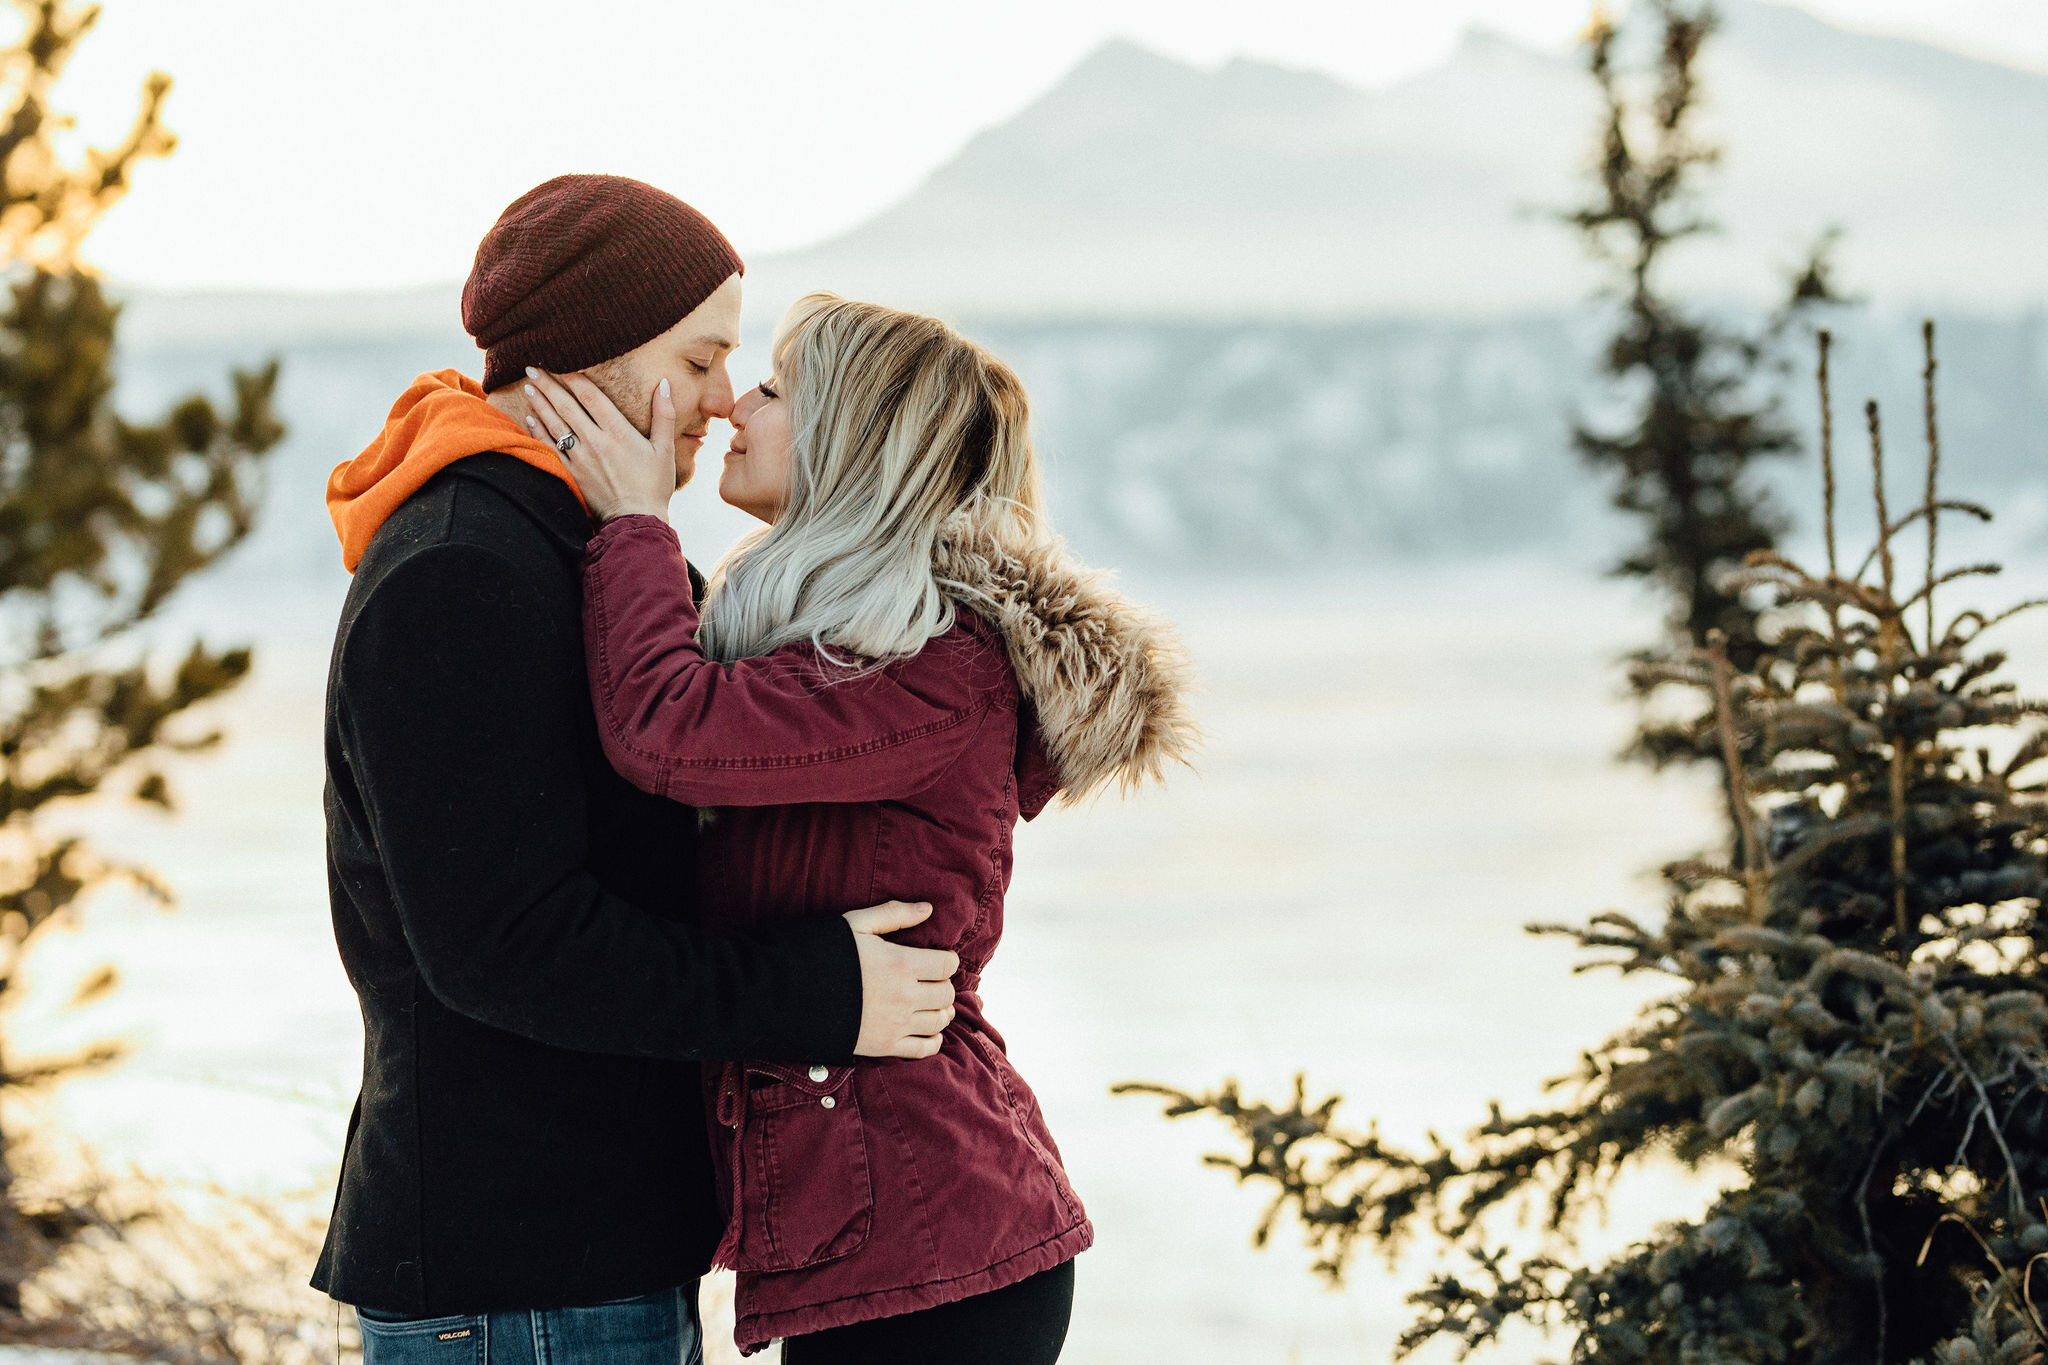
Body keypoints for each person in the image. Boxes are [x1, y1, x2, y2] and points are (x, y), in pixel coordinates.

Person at [316, 176, 960, 1365]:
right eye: (702, 358)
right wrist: (818, 993)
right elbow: (504, 948)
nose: (724, 401)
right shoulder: (465, 571)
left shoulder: (571, 552)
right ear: (594, 346)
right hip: (515, 1273)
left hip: (582, 1255)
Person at [519, 292, 1198, 1362]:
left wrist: (635, 522)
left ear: (856, 442)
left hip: (934, 1250)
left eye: (778, 388)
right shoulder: (841, 644)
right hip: (885, 1240)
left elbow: (664, 725)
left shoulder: (936, 666)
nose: (738, 402)